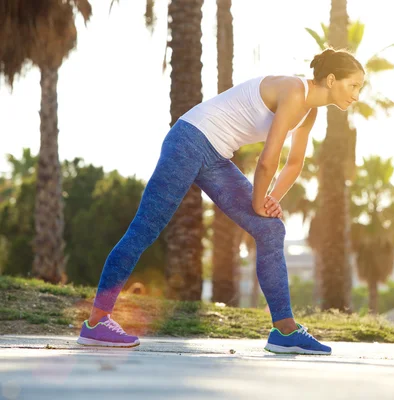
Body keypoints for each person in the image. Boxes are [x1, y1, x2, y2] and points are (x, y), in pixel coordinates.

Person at [76, 48, 365, 355]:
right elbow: (268, 161)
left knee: (270, 229)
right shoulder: (295, 91)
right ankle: (96, 323)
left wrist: (269, 202)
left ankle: (284, 330)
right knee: (145, 229)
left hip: (215, 157)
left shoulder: (310, 111)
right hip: (189, 140)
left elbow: (294, 164)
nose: (357, 95)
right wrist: (258, 203)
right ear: (332, 79)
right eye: (354, 85)